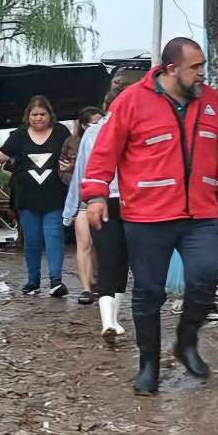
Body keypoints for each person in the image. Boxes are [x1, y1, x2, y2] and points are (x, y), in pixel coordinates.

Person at [82, 37, 218, 395]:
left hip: (200, 213)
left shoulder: (213, 103)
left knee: (206, 276)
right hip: (148, 216)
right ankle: (149, 365)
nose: (203, 74)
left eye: (203, 66)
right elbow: (104, 152)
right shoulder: (132, 102)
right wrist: (95, 196)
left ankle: (185, 342)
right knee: (149, 292)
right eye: (195, 67)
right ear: (172, 70)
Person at [65, 85, 132, 341]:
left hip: (99, 199)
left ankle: (108, 321)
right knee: (122, 260)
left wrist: (76, 206)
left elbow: (83, 172)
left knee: (106, 258)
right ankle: (113, 319)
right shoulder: (137, 128)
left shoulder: (92, 133)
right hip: (129, 201)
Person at [0, 96, 71, 297]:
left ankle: (56, 281)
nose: (38, 118)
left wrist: (70, 165)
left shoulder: (61, 132)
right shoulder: (19, 135)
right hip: (27, 197)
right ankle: (33, 282)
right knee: (32, 240)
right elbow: (3, 152)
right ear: (28, 116)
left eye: (42, 114)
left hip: (54, 196)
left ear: (49, 115)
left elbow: (72, 154)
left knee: (54, 237)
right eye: (34, 114)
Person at [60, 106, 104, 304]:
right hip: (83, 197)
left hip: (104, 197)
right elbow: (65, 171)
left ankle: (98, 282)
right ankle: (86, 289)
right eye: (95, 122)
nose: (100, 125)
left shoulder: (110, 138)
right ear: (85, 125)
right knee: (84, 243)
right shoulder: (72, 143)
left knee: (102, 245)